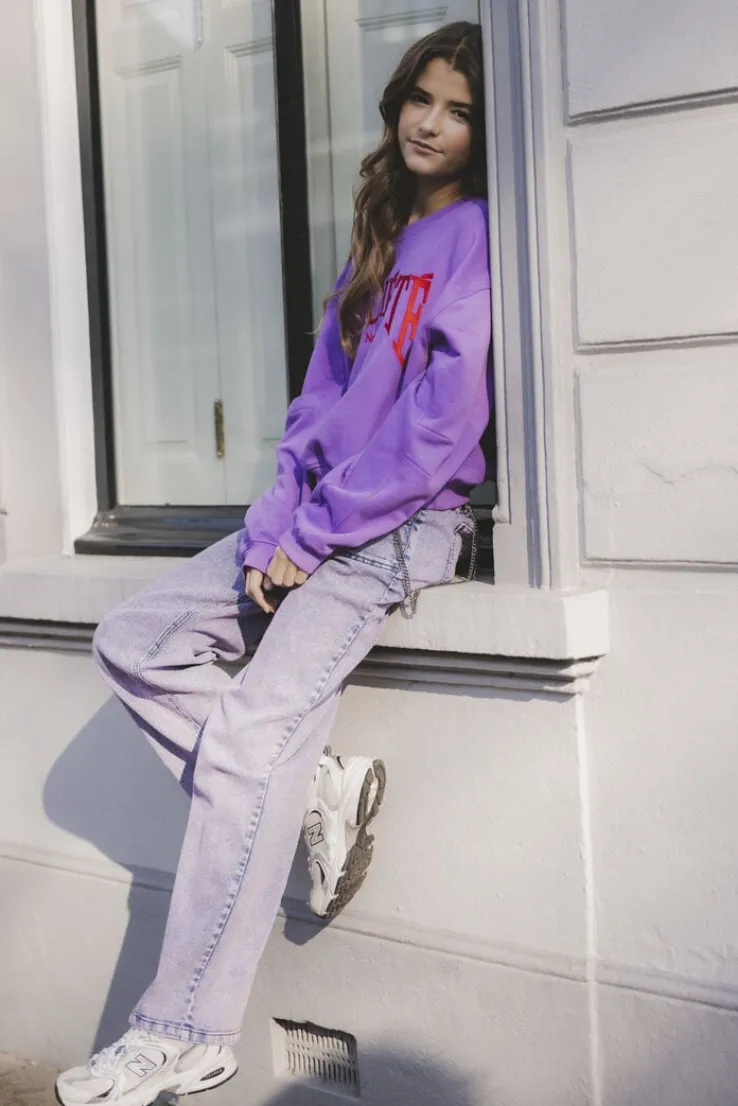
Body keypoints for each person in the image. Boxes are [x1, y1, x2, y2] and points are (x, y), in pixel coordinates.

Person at [55, 19, 493, 1106]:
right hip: (314, 519)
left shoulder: (478, 237)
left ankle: (183, 1031)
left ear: (483, 133)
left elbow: (438, 430)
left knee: (253, 735)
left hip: (398, 527)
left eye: (459, 111)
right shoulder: (381, 229)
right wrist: (273, 521)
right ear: (398, 101)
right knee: (136, 638)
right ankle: (312, 791)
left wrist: (314, 534)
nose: (431, 124)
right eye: (421, 98)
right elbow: (317, 403)